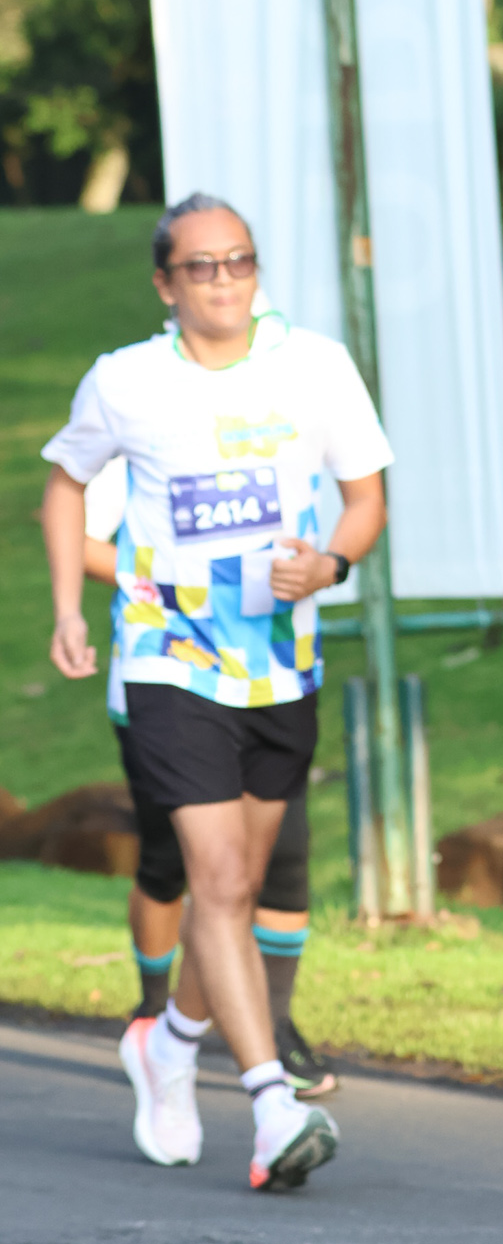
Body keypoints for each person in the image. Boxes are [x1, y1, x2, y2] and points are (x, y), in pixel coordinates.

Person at [41, 192, 391, 1189]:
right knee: (218, 874)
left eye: (238, 260)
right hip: (168, 660)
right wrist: (69, 608)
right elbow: (65, 485)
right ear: (166, 284)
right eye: (200, 265)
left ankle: (168, 1043)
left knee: (234, 885)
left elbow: (365, 499)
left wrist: (328, 564)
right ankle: (272, 1104)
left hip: (279, 663)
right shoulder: (126, 380)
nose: (223, 279)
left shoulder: (314, 366)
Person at [82, 457, 335, 1095]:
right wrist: (172, 581)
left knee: (281, 860)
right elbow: (77, 535)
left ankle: (272, 1025)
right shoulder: (139, 428)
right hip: (168, 680)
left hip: (271, 677)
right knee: (172, 864)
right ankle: (153, 1012)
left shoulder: (280, 431)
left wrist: (317, 568)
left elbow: (350, 517)